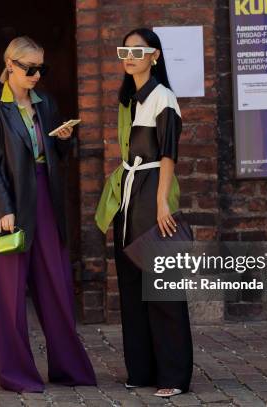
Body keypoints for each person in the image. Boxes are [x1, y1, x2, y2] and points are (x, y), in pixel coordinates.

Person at [0, 36, 96, 393]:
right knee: (10, 299)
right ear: (10, 64)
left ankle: (69, 369)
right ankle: (17, 376)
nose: (37, 75)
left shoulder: (47, 104)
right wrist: (4, 209)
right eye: (30, 68)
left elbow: (57, 158)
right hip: (9, 205)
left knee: (57, 290)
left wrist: (63, 140)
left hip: (46, 201)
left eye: (42, 68)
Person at [95, 28, 193, 398]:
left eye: (139, 50)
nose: (130, 56)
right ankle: (142, 369)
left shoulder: (162, 97)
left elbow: (168, 153)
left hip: (152, 194)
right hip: (128, 197)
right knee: (132, 288)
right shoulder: (131, 100)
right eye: (125, 50)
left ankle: (173, 375)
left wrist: (163, 202)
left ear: (155, 56)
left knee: (163, 290)